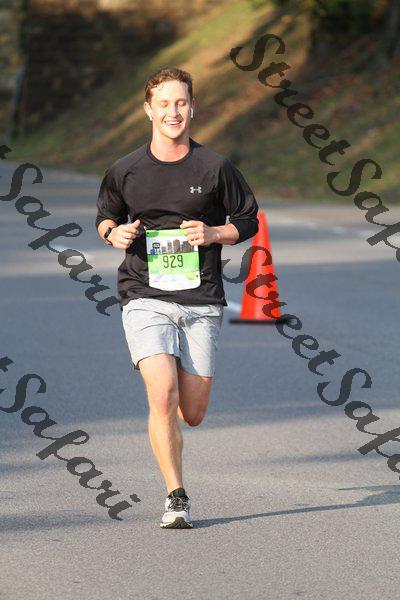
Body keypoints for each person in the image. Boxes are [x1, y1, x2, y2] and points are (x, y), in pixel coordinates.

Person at [96, 66, 259, 529]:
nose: (174, 111)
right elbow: (106, 217)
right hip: (143, 294)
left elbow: (247, 218)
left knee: (194, 412)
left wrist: (214, 233)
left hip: (200, 299)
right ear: (148, 110)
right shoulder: (125, 170)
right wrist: (113, 233)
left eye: (181, 103)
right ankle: (176, 495)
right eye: (164, 103)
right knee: (162, 392)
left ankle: (177, 438)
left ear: (193, 108)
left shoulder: (215, 168)